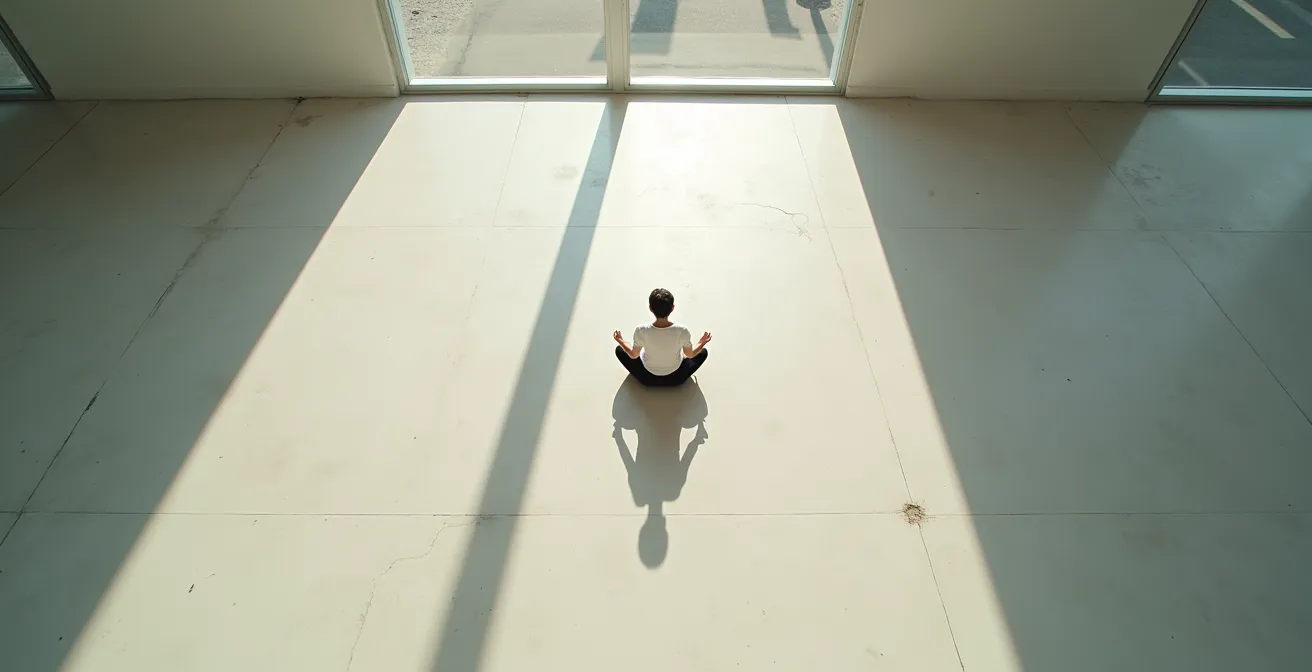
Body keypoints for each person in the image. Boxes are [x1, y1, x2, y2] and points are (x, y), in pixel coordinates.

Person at [613, 288, 711, 387]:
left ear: (650, 308)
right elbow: (690, 354)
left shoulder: (641, 330)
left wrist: (621, 341)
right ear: (672, 308)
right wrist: (702, 342)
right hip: (676, 379)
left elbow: (634, 355)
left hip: (647, 378)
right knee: (703, 352)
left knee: (619, 350)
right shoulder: (682, 331)